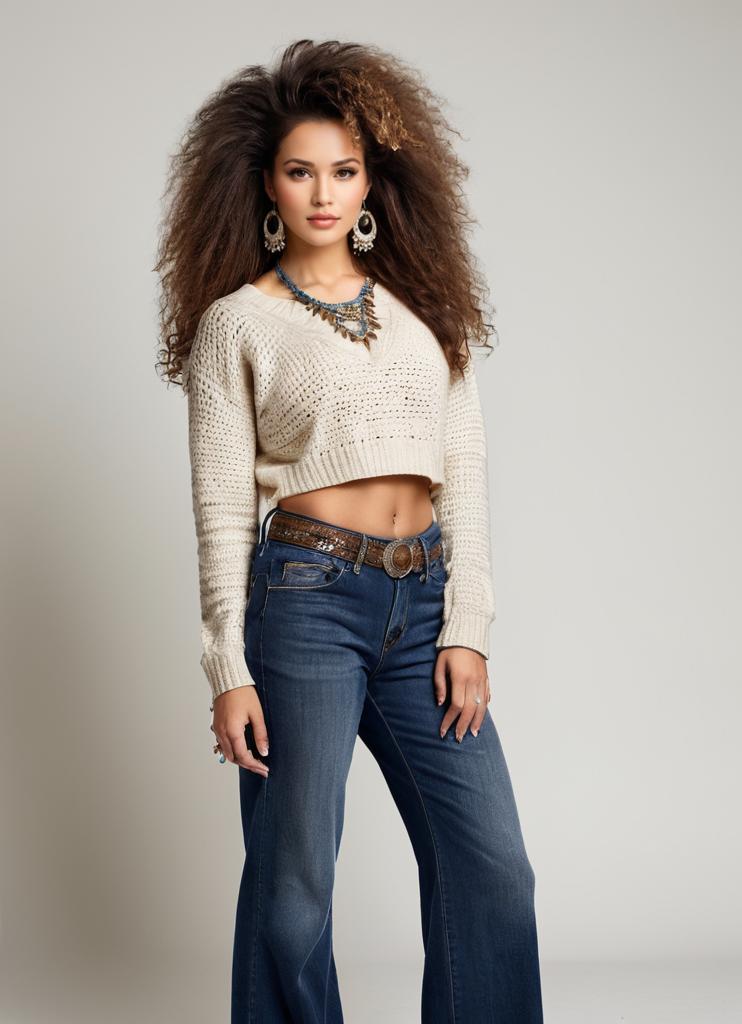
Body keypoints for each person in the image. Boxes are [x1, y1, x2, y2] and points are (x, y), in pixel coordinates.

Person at [155, 39, 544, 1023]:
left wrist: (469, 622)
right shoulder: (236, 324)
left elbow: (466, 471)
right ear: (264, 185)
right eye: (299, 171)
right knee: (293, 894)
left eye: (342, 169)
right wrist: (226, 666)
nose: (322, 193)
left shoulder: (426, 313)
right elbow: (218, 507)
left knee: (492, 868)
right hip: (304, 602)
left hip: (424, 600)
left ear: (373, 180)